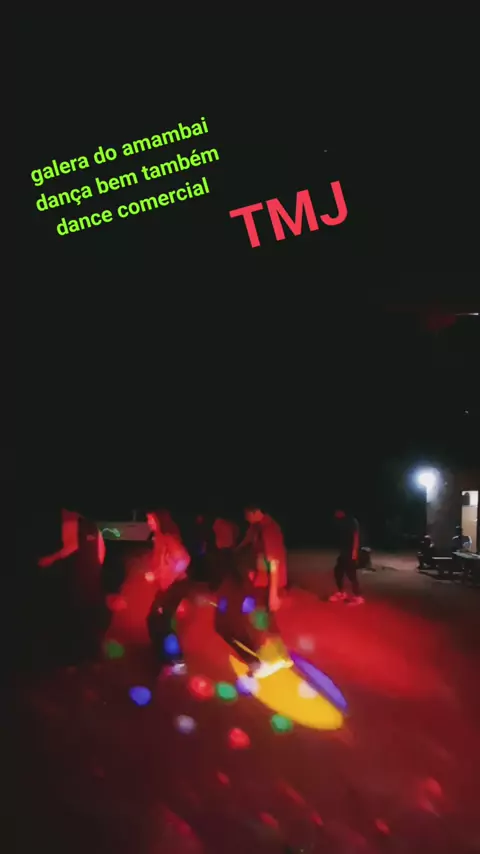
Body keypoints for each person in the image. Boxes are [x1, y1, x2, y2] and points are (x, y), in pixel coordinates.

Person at [146, 510, 191, 669]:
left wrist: (167, 576)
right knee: (155, 619)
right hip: (169, 586)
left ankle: (176, 658)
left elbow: (184, 559)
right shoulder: (159, 537)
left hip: (175, 586)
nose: (148, 523)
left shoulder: (167, 538)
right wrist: (156, 573)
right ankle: (162, 654)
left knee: (160, 620)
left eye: (151, 519)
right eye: (148, 519)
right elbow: (162, 561)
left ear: (160, 520)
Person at [236, 505, 288, 609]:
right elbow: (246, 541)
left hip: (268, 585)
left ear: (255, 512)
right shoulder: (256, 527)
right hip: (260, 579)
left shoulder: (269, 529)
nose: (246, 518)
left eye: (247, 515)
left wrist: (273, 595)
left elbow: (274, 563)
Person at [329, 509, 364, 605]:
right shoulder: (340, 522)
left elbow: (356, 536)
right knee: (338, 571)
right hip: (344, 551)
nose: (335, 514)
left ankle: (358, 597)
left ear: (342, 512)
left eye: (337, 512)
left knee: (351, 574)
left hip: (351, 551)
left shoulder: (351, 521)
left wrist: (355, 551)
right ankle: (341, 593)